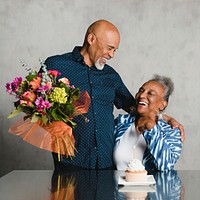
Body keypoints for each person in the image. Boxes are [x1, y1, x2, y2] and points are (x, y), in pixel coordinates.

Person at [42, 20, 184, 170]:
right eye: (109, 48)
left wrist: (165, 117)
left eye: (115, 50)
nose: (112, 55)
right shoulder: (55, 65)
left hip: (107, 165)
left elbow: (135, 107)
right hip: (70, 162)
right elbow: (38, 105)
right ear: (91, 39)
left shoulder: (111, 76)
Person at [113, 75, 183, 171]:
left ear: (162, 104)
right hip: (118, 185)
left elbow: (166, 166)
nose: (142, 95)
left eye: (150, 93)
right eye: (141, 90)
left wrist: (152, 130)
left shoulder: (171, 131)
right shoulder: (121, 122)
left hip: (152, 186)